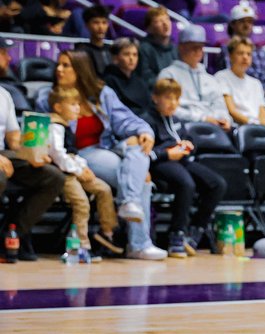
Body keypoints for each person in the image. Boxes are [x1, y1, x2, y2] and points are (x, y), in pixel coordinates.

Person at [39, 50, 160, 258]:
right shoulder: (49, 97)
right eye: (59, 64)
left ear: (80, 69)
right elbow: (46, 136)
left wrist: (145, 131)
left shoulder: (102, 94)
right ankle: (139, 243)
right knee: (143, 180)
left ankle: (130, 206)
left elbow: (126, 119)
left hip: (106, 148)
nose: (59, 69)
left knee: (138, 145)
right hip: (78, 155)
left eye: (66, 65)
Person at [147, 76, 228, 257]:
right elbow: (146, 153)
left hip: (181, 160)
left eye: (176, 98)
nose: (173, 103)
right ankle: (176, 235)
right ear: (155, 98)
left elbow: (188, 139)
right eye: (168, 98)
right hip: (160, 163)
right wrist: (167, 153)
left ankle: (195, 230)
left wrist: (188, 145)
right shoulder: (147, 120)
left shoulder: (176, 119)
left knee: (218, 184)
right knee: (186, 183)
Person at [48, 85, 117, 261]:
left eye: (78, 104)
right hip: (63, 173)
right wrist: (78, 171)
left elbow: (73, 153)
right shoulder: (54, 126)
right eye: (73, 104)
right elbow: (58, 156)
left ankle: (107, 233)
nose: (78, 108)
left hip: (74, 168)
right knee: (82, 203)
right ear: (58, 107)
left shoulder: (66, 126)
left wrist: (84, 167)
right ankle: (80, 247)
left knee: (103, 189)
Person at [0, 81, 66, 260]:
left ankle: (12, 235)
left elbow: (13, 137)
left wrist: (34, 152)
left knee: (54, 177)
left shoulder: (4, 94)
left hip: (4, 153)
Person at [158, 25, 230, 128]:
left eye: (201, 47)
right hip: (182, 127)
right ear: (181, 47)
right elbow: (169, 108)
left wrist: (225, 119)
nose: (198, 51)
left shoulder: (210, 78)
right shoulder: (168, 75)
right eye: (193, 47)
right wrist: (203, 118)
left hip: (214, 127)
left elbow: (220, 106)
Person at [215, 36, 265, 128]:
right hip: (238, 127)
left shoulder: (256, 83)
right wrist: (255, 125)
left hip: (256, 127)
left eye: (249, 54)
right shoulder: (221, 77)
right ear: (230, 56)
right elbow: (232, 111)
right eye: (240, 53)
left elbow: (262, 111)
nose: (245, 57)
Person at [103, 36, 154, 118]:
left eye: (135, 55)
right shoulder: (109, 80)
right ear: (115, 58)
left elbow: (148, 102)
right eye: (126, 54)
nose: (131, 58)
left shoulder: (138, 77)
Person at [136, 6, 176, 83]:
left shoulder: (175, 48)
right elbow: (145, 78)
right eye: (159, 21)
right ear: (149, 28)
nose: (165, 24)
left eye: (167, 19)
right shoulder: (143, 49)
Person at [78, 3, 111, 76]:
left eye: (104, 22)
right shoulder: (81, 51)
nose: (101, 27)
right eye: (96, 22)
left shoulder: (112, 50)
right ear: (87, 25)